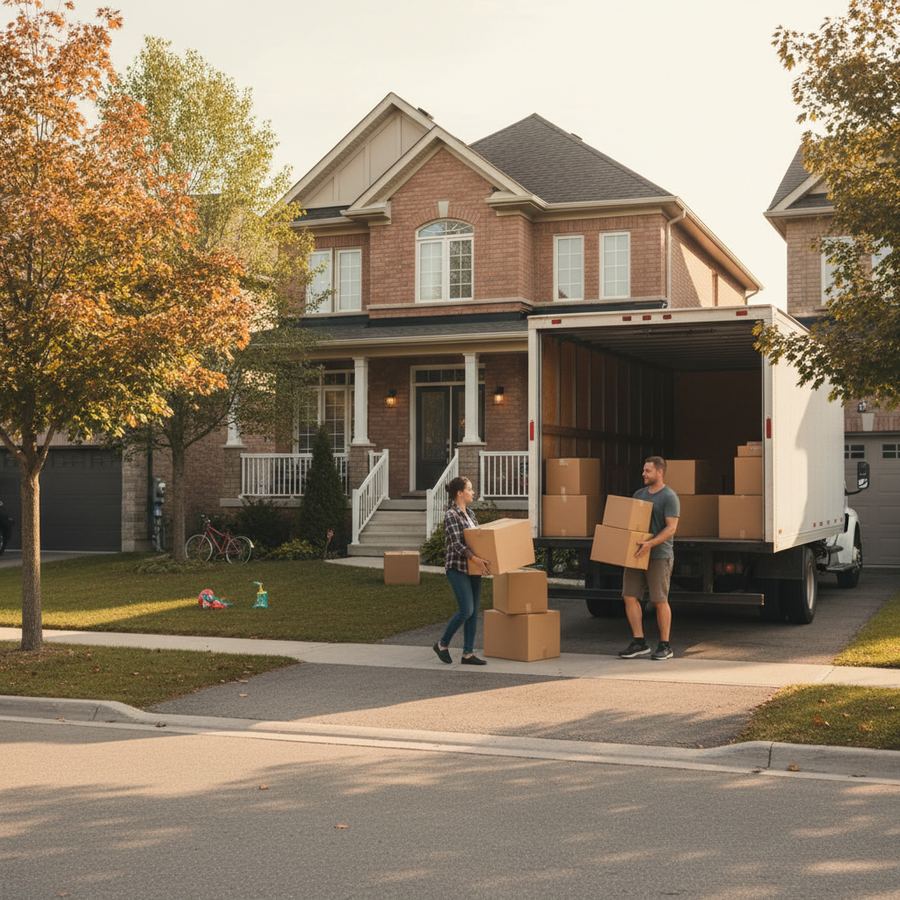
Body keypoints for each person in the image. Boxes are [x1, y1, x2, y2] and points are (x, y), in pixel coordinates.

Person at [618, 456, 680, 661]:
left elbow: (671, 528)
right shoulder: (639, 494)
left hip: (659, 555)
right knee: (629, 595)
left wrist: (650, 544)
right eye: (643, 470)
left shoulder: (669, 497)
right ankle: (639, 642)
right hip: (636, 553)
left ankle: (665, 645)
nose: (643, 474)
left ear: (660, 472)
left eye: (648, 471)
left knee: (659, 600)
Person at [433, 475, 491, 666]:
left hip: (473, 569)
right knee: (466, 609)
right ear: (460, 493)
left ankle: (467, 654)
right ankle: (442, 644)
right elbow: (457, 544)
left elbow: (478, 541)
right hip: (457, 568)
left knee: (474, 612)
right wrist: (475, 558)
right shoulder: (451, 515)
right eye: (470, 489)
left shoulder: (471, 514)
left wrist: (484, 561)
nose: (473, 492)